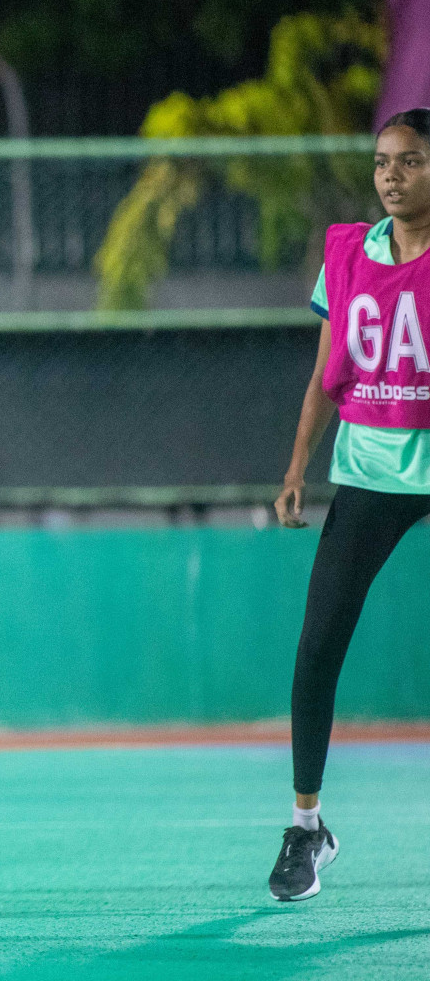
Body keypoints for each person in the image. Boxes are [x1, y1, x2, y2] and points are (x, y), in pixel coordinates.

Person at [270, 108, 430, 901]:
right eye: (381, 163)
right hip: (369, 465)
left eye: (408, 162)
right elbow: (324, 372)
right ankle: (306, 831)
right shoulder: (350, 254)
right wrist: (297, 465)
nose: (390, 177)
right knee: (318, 645)